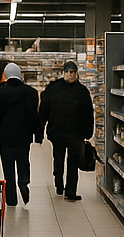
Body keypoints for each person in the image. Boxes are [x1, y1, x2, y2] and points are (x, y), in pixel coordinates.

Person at [0, 62, 42, 206]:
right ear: (19, 74)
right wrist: (38, 134)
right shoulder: (31, 92)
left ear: (6, 75)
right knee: (23, 161)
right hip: (24, 136)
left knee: (8, 167)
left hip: (5, 137)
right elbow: (34, 116)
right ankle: (23, 182)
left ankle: (11, 199)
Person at [38, 59, 94, 201]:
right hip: (57, 132)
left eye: (72, 72)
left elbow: (88, 113)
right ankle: (58, 182)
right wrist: (40, 128)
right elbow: (44, 110)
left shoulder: (82, 91)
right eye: (67, 72)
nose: (69, 74)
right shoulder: (54, 88)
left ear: (76, 74)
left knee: (73, 162)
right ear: (63, 73)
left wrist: (88, 132)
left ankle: (71, 191)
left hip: (76, 133)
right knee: (58, 159)